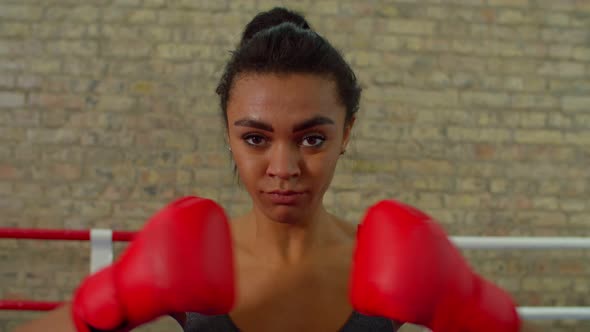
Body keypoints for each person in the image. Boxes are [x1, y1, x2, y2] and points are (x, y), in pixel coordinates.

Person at [15, 7, 541, 332]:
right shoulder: (194, 256)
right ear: (228, 134)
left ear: (347, 134)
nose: (284, 168)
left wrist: (476, 312)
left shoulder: (387, 260)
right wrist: (105, 305)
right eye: (255, 139)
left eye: (313, 138)